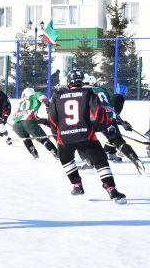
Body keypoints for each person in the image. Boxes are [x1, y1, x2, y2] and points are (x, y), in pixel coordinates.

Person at [47, 69, 127, 203]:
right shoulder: (88, 92)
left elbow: (52, 119)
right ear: (82, 81)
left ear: (68, 82)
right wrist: (107, 125)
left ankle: (77, 185)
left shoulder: (57, 95)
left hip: (65, 138)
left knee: (66, 160)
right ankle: (111, 190)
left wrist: (56, 134)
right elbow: (98, 114)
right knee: (100, 161)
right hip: (86, 136)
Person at [90, 83, 146, 174]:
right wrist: (122, 123)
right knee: (118, 140)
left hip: (96, 118)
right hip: (109, 119)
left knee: (85, 139)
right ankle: (134, 159)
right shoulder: (104, 91)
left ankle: (89, 162)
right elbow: (113, 112)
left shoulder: (87, 91)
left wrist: (122, 123)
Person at [11, 87, 58, 160]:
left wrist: (45, 121)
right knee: (43, 139)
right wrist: (47, 104)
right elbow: (42, 97)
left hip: (16, 125)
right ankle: (57, 154)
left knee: (26, 139)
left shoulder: (21, 103)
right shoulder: (35, 95)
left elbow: (30, 118)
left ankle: (35, 155)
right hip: (28, 122)